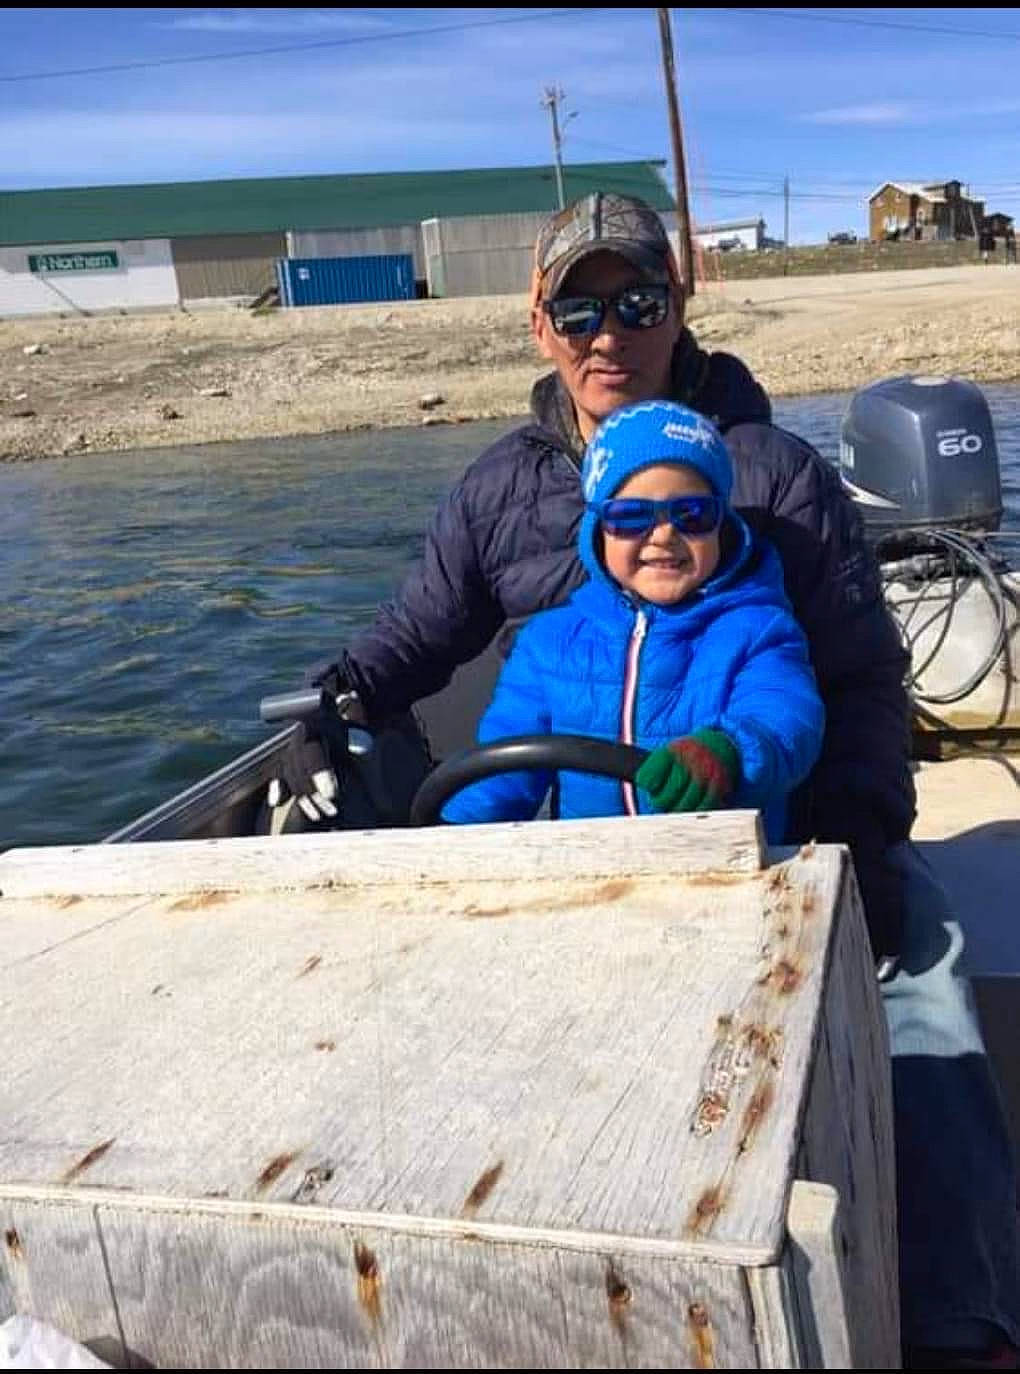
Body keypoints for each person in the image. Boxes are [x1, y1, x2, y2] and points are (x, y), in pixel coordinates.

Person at [270, 191, 1018, 1367]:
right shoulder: (498, 488)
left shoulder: (776, 475)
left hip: (777, 839)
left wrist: (851, 845)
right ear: (538, 322)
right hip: (574, 858)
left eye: (636, 301)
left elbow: (859, 678)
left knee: (920, 981)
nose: (606, 330)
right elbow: (419, 635)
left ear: (679, 309)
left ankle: (960, 1317)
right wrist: (335, 698)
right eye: (579, 304)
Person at [440, 399, 825, 834]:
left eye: (692, 514)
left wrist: (727, 753)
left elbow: (785, 720)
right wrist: (455, 831)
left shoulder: (758, 630)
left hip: (722, 870)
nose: (663, 535)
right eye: (630, 517)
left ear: (722, 523)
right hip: (592, 875)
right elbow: (503, 771)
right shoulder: (548, 644)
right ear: (599, 529)